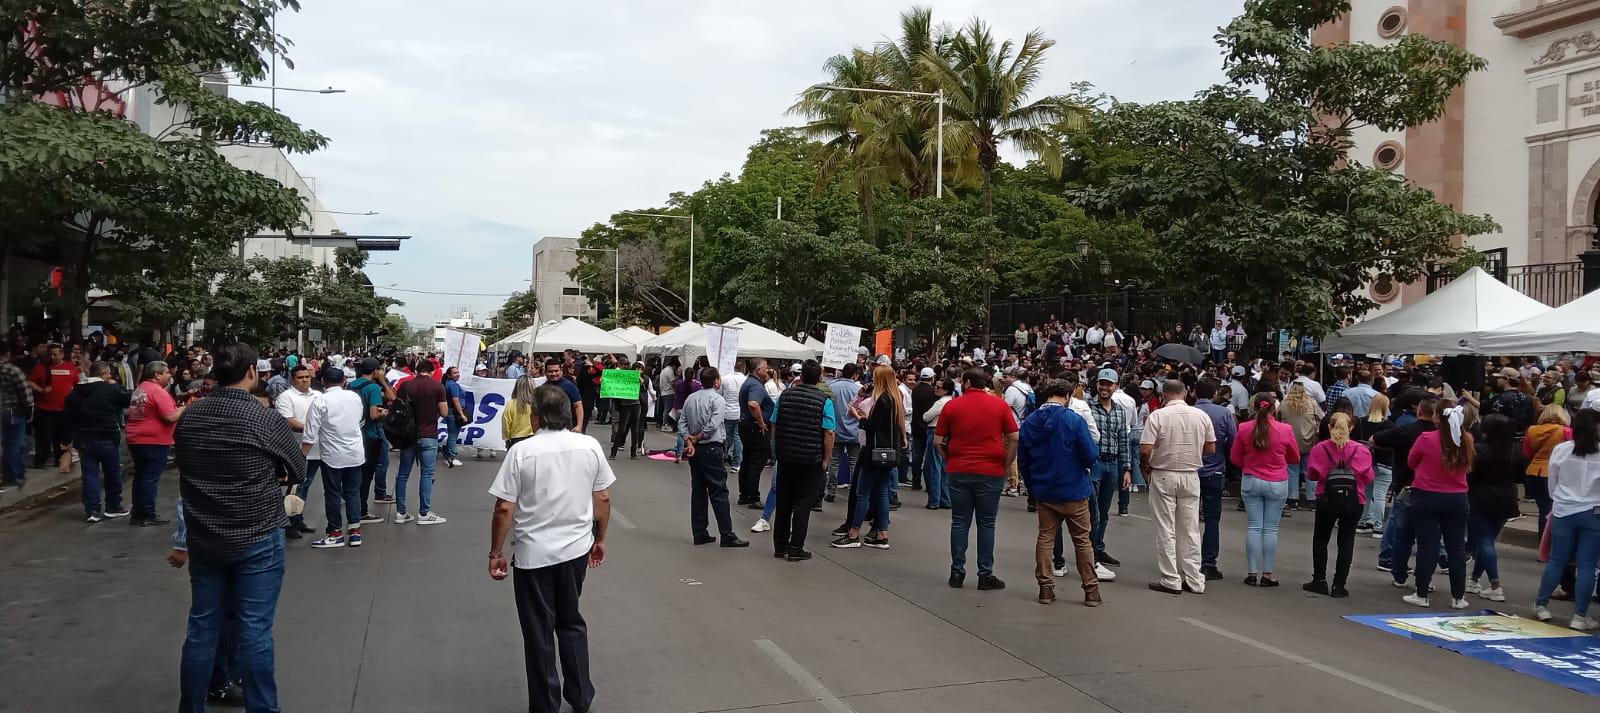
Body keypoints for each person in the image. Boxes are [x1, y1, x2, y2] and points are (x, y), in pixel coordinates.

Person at [175, 343, 304, 713]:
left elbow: (187, 467)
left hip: (205, 537)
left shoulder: (192, 416)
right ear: (252, 373)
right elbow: (297, 468)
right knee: (254, 631)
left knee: (202, 628)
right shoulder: (264, 418)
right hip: (257, 535)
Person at [488, 384, 614, 713]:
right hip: (575, 551)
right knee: (571, 621)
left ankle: (546, 704)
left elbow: (504, 508)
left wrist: (495, 552)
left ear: (536, 416)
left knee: (539, 630)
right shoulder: (589, 446)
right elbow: (603, 497)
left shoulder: (523, 452)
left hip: (534, 556)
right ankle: (581, 695)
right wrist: (600, 539)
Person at [1019, 379, 1101, 606]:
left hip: (1044, 490)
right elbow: (1090, 454)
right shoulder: (1073, 419)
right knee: (1083, 541)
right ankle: (1091, 590)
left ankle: (1046, 588)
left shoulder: (1029, 422)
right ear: (1066, 396)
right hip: (1074, 488)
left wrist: (1032, 486)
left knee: (1046, 538)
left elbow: (1023, 460)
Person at [936, 368, 1018, 591]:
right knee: (987, 523)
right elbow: (1014, 437)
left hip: (959, 469)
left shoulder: (952, 405)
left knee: (959, 521)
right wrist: (1006, 463)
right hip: (990, 471)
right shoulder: (1000, 405)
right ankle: (985, 573)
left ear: (968, 383)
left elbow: (938, 440)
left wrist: (949, 459)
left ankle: (957, 572)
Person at [1532, 407, 1600, 630]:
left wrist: (1558, 500)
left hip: (1564, 509)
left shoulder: (1562, 449)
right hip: (1593, 512)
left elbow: (1553, 482)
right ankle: (1580, 616)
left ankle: (1541, 605)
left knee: (1557, 560)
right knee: (1587, 564)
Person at [1401, 404, 1474, 609]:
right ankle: (1458, 597)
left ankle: (1422, 593)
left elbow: (1411, 461)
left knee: (1427, 545)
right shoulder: (1466, 439)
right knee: (1456, 548)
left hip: (1427, 495)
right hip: (1458, 497)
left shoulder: (1426, 439)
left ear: (1436, 418)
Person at [831, 365, 906, 550]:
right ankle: (882, 534)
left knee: (862, 492)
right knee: (881, 493)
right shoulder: (896, 400)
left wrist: (859, 417)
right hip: (889, 452)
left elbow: (871, 426)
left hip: (873, 451)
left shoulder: (882, 400)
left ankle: (854, 533)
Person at [1300, 413, 1374, 598]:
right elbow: (1369, 477)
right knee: (1346, 541)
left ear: (1329, 428)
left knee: (1321, 539)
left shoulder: (1320, 449)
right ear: (1351, 428)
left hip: (1327, 498)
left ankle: (1319, 580)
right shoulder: (1361, 450)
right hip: (1354, 499)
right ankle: (1339, 585)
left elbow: (1312, 475)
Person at [1230, 392, 1300, 587]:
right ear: (1273, 407)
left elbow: (1235, 457)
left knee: (1254, 526)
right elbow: (1295, 458)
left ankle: (1251, 572)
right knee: (1270, 529)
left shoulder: (1244, 428)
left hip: (1251, 479)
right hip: (1277, 481)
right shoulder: (1285, 429)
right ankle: (1267, 573)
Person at [768, 361, 835, 561]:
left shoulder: (785, 396)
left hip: (786, 457)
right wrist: (825, 459)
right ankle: (796, 548)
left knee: (784, 502)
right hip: (810, 459)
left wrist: (777, 447)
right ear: (819, 378)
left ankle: (780, 546)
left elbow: (774, 423)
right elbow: (829, 433)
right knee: (803, 504)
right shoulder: (825, 401)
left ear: (801, 376)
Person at [681, 367, 747, 548]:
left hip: (696, 449)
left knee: (699, 491)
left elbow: (682, 422)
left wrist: (688, 440)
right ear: (717, 381)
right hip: (710, 448)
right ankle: (727, 534)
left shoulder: (691, 399)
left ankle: (700, 531)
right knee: (718, 492)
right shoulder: (718, 400)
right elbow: (713, 424)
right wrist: (695, 438)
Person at [305, 365, 368, 549]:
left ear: (323, 381)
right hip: (355, 453)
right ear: (344, 381)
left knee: (333, 493)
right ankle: (355, 532)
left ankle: (335, 533)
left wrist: (302, 456)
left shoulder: (320, 401)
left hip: (332, 456)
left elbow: (310, 433)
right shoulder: (354, 397)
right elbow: (359, 420)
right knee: (353, 492)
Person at [65, 362, 132, 522]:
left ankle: (92, 510)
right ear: (103, 374)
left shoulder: (74, 393)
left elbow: (67, 418)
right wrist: (116, 386)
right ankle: (113, 506)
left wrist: (68, 440)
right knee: (112, 473)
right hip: (107, 436)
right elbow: (127, 400)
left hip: (84, 439)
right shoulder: (109, 389)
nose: (110, 377)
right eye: (109, 374)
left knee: (90, 475)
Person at [1467, 414, 1523, 604]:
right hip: (1507, 498)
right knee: (1488, 541)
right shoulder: (1514, 451)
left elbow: (1471, 475)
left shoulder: (1481, 450)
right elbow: (1521, 477)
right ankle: (1474, 579)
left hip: (1481, 497)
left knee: (1483, 540)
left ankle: (1495, 585)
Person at [125, 360, 184, 527]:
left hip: (137, 438)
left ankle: (139, 513)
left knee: (142, 477)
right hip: (152, 440)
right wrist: (184, 409)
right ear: (157, 374)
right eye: (167, 373)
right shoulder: (157, 391)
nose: (170, 376)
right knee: (149, 477)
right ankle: (146, 514)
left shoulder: (141, 388)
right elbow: (170, 417)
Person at [393, 359, 449, 526]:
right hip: (428, 434)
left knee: (403, 474)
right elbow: (444, 412)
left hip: (408, 435)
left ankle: (401, 512)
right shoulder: (437, 387)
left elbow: (398, 407)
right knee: (426, 474)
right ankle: (424, 513)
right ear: (431, 372)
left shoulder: (406, 386)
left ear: (416, 371)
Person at [1086, 369, 1131, 569]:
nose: (1104, 387)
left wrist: (1127, 468)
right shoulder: (1088, 407)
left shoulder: (1120, 410)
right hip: (1094, 463)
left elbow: (1124, 440)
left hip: (1112, 464)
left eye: (1108, 384)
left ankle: (1098, 547)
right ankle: (1089, 552)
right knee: (1092, 510)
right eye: (1101, 383)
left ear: (1115, 386)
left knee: (1104, 510)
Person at [1193, 380, 1235, 580]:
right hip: (1215, 469)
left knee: (1187, 519)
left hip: (1191, 470)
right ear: (1215, 393)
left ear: (1194, 392)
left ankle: (1188, 560)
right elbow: (1232, 442)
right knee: (1212, 520)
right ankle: (1209, 563)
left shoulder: (1189, 412)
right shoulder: (1224, 414)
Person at [275, 364, 319, 537]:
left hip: (317, 449)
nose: (305, 380)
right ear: (292, 379)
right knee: (295, 486)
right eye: (301, 377)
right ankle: (289, 522)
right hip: (296, 450)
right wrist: (312, 429)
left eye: (307, 376)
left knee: (305, 486)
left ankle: (297, 519)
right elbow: (289, 421)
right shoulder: (286, 397)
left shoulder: (318, 395)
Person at [348, 358, 394, 521]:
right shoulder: (374, 387)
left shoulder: (352, 385)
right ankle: (362, 510)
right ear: (375, 371)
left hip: (354, 433)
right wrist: (383, 413)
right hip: (370, 434)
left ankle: (355, 507)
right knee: (367, 475)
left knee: (356, 473)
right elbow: (377, 411)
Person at [1523, 403, 1572, 543]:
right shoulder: (1566, 431)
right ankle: (1547, 546)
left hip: (1533, 472)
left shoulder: (1532, 430)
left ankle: (1542, 545)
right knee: (1549, 510)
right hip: (1553, 474)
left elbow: (1526, 453)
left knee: (1543, 509)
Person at [29, 343, 79, 470]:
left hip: (64, 409)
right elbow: (30, 382)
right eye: (50, 354)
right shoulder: (40, 367)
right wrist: (40, 390)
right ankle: (40, 460)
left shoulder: (70, 368)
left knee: (62, 437)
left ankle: (60, 459)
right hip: (45, 408)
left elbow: (77, 385)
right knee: (43, 437)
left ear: (61, 354)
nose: (52, 357)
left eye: (55, 354)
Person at [1279, 383, 1324, 512]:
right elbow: (1322, 417)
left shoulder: (1284, 404)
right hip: (1308, 442)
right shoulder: (1312, 403)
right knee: (1309, 470)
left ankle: (1293, 499)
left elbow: (1278, 418)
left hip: (1290, 441)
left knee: (1292, 470)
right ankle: (1312, 499)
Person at [735, 359, 772, 507]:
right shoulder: (755, 385)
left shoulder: (750, 383)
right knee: (756, 461)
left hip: (747, 425)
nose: (767, 370)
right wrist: (761, 421)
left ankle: (745, 494)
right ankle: (752, 496)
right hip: (754, 427)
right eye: (765, 367)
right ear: (758, 370)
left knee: (748, 460)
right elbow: (753, 404)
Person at [825, 365, 862, 502]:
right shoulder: (859, 390)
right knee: (855, 463)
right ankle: (856, 491)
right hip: (854, 432)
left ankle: (831, 491)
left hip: (835, 430)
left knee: (833, 462)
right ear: (855, 375)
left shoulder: (832, 388)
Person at [0, 349, 32, 491]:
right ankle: (15, 476)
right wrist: (29, 410)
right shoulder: (12, 370)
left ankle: (12, 473)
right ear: (7, 353)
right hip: (13, 411)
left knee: (7, 444)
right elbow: (25, 392)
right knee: (15, 445)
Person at [921, 378, 955, 509]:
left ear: (945, 390)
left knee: (934, 466)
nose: (935, 388)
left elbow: (926, 417)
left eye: (939, 387)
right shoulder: (953, 402)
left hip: (935, 431)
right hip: (948, 434)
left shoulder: (940, 403)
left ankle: (934, 500)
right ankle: (945, 499)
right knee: (944, 467)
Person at [546, 360, 586, 433]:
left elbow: (578, 406)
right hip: (548, 428)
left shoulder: (569, 386)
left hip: (567, 428)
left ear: (561, 371)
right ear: (545, 372)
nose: (553, 374)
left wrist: (579, 426)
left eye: (556, 371)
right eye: (550, 371)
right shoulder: (544, 387)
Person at [442, 366, 468, 468]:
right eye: (454, 373)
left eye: (458, 372)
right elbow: (455, 400)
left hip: (450, 411)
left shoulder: (449, 383)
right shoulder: (453, 385)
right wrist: (462, 415)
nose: (457, 374)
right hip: (453, 412)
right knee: (453, 435)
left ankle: (449, 453)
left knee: (452, 434)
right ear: (449, 375)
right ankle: (451, 457)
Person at [503, 375, 539, 448]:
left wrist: (507, 439)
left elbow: (506, 424)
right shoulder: (538, 403)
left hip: (516, 440)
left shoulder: (511, 404)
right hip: (535, 439)